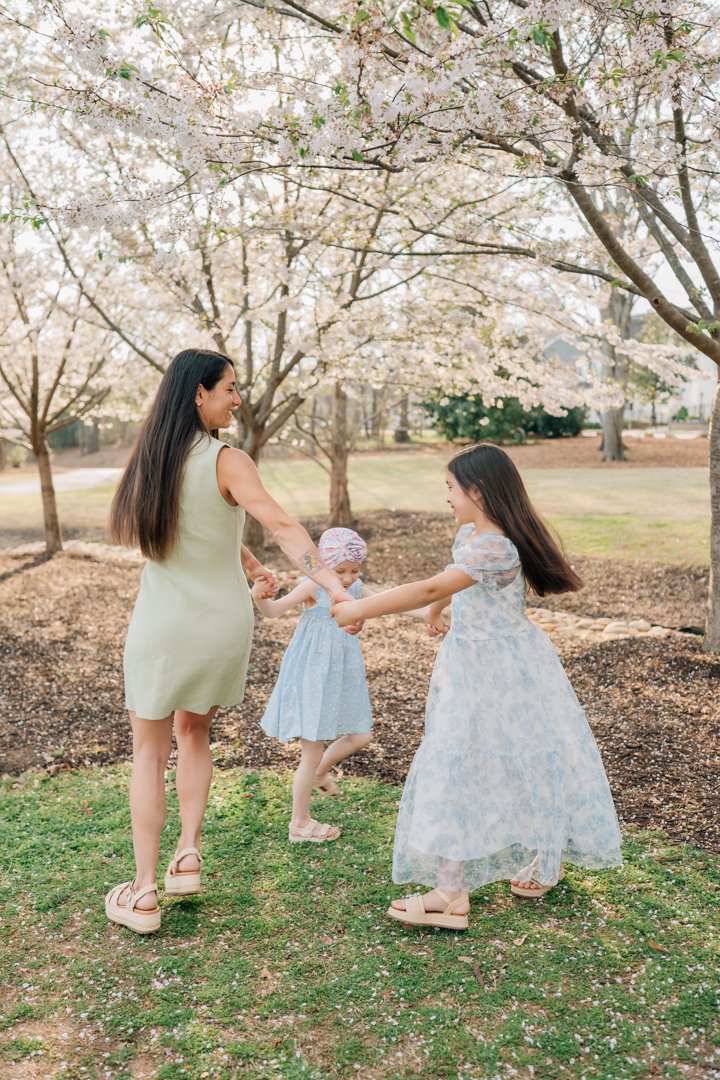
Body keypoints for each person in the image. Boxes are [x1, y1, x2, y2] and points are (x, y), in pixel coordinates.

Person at [105, 349, 358, 934]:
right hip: (219, 626)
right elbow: (282, 526)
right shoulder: (226, 460)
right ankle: (187, 852)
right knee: (194, 731)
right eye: (229, 389)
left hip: (161, 626)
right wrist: (333, 587)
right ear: (198, 394)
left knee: (149, 751)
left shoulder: (150, 460)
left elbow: (172, 536)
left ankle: (143, 893)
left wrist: (250, 563)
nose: (238, 399)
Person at [333, 442, 622, 930]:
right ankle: (455, 889)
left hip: (503, 672)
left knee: (508, 758)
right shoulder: (471, 534)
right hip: (473, 665)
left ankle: (495, 875)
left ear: (478, 490)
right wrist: (436, 611)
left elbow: (431, 585)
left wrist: (361, 608)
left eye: (450, 486)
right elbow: (446, 589)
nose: (446, 496)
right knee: (469, 762)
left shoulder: (496, 546)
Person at [253, 527, 426, 843]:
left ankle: (321, 771)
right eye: (340, 570)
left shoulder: (356, 589)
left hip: (342, 675)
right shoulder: (312, 586)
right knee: (311, 750)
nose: (347, 578)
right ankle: (300, 823)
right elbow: (274, 611)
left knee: (361, 735)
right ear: (323, 565)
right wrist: (259, 597)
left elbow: (393, 603)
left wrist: (429, 613)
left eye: (354, 570)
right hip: (312, 674)